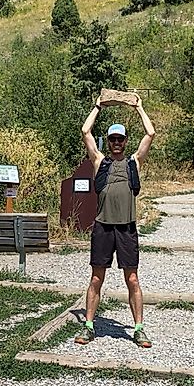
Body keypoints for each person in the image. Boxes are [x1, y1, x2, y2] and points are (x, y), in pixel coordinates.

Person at [75, 93, 155, 347]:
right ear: (108, 142)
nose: (117, 142)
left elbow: (150, 134)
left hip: (127, 229)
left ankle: (139, 328)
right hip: (103, 228)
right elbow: (86, 131)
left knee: (132, 279)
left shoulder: (134, 162)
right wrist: (98, 105)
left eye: (120, 138)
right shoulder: (100, 162)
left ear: (125, 141)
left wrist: (140, 108)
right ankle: (88, 325)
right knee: (97, 277)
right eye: (113, 139)